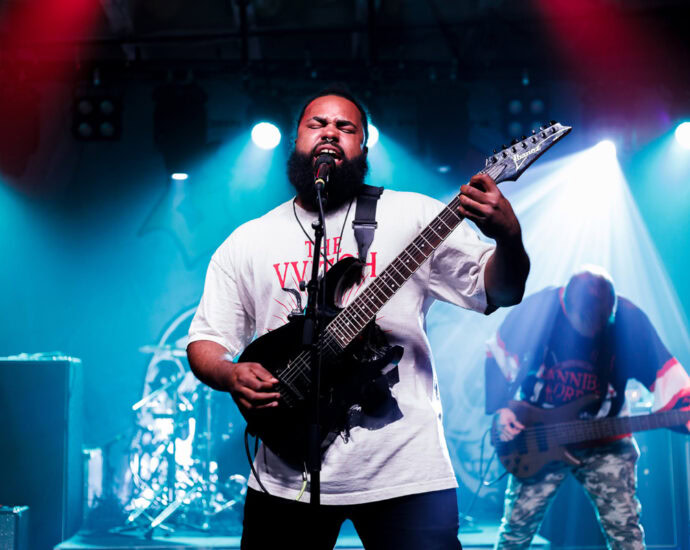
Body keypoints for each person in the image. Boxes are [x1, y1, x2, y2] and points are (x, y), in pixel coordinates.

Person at [187, 86, 530, 549]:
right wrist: (230, 374)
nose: (330, 132)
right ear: (296, 141)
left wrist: (509, 238)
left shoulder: (414, 214)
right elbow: (206, 340)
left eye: (345, 127)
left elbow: (501, 291)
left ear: (364, 148)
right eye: (317, 124)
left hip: (406, 472)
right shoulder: (248, 241)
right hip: (285, 474)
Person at [485, 266, 690, 550]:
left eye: (602, 321)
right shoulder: (539, 310)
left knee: (626, 534)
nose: (594, 328)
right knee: (515, 533)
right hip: (538, 436)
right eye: (585, 320)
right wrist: (501, 409)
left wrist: (685, 410)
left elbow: (666, 374)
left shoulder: (629, 320)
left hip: (606, 437)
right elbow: (498, 353)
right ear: (566, 306)